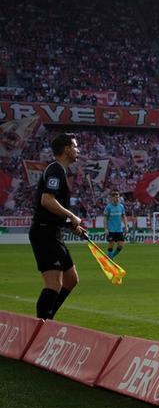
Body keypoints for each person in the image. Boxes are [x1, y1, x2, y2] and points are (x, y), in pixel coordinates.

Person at [29, 133, 87, 320]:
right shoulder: (56, 170)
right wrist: (72, 216)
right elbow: (47, 200)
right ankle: (41, 325)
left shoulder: (60, 170)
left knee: (71, 280)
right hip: (44, 232)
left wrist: (72, 226)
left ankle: (47, 318)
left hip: (53, 231)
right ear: (67, 149)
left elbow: (52, 208)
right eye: (75, 146)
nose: (77, 150)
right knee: (54, 283)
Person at [104, 190, 128, 259]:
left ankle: (112, 256)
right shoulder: (108, 207)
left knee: (121, 245)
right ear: (112, 198)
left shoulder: (121, 206)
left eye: (118, 197)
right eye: (115, 197)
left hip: (119, 229)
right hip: (111, 229)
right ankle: (110, 259)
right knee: (111, 245)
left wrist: (126, 226)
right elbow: (105, 218)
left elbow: (124, 216)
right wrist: (106, 229)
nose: (117, 199)